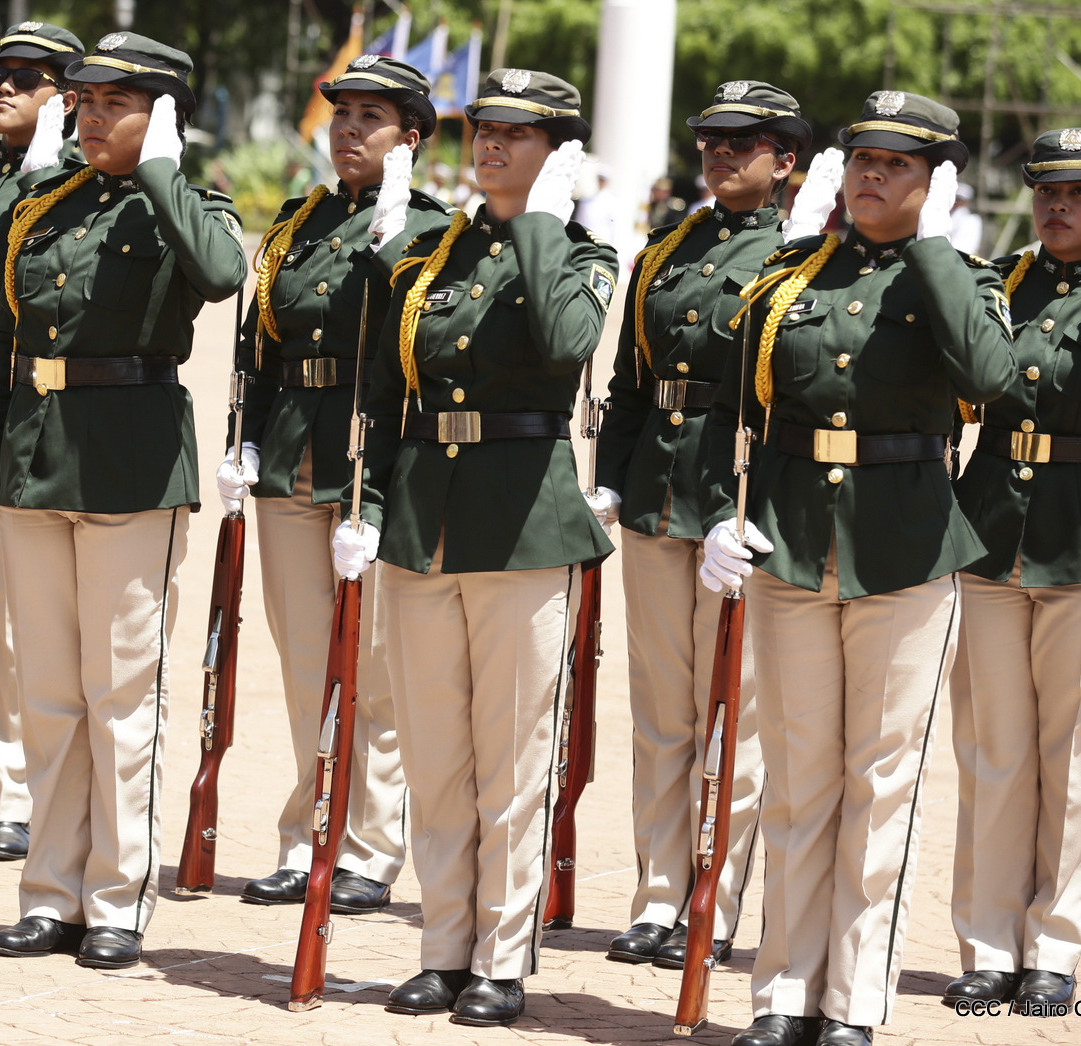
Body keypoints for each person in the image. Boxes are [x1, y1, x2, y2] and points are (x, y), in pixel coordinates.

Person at [700, 91, 1015, 1046]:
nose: (873, 173)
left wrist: (935, 247)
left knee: (880, 785)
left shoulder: (960, 277)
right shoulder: (793, 274)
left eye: (898, 164)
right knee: (799, 780)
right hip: (794, 541)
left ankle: (853, 1003)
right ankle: (783, 994)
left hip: (904, 548)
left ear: (936, 181)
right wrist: (720, 513)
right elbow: (731, 408)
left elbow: (990, 377)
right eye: (863, 159)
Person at [333, 68, 618, 1027]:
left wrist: (539, 222)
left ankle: (501, 957)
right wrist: (367, 504)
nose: (491, 143)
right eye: (485, 128)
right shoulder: (430, 254)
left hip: (522, 524)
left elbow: (564, 342)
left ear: (558, 152)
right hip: (426, 524)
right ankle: (443, 948)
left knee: (512, 757)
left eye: (517, 133)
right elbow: (384, 388)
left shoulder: (581, 254)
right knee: (435, 755)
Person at [0, 32, 246, 969]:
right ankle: (50, 893)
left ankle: (118, 899)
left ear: (162, 115)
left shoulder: (188, 204)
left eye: (113, 103)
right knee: (50, 695)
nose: (90, 117)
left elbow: (221, 275)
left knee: (122, 695)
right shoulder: (43, 204)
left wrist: (163, 170)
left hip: (131, 464)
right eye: (84, 100)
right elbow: (1, 336)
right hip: (37, 456)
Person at [591, 81, 823, 971]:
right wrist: (609, 484)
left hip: (740, 502)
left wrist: (760, 509)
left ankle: (712, 900)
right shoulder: (664, 251)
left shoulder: (799, 255)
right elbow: (629, 386)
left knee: (736, 713)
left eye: (743, 142)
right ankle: (658, 895)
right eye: (711, 140)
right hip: (659, 495)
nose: (721, 154)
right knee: (662, 711)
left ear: (785, 160)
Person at [215, 55, 452, 914]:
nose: (348, 129)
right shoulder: (298, 222)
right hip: (291, 454)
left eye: (370, 117)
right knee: (306, 664)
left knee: (375, 669)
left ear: (410, 139)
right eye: (342, 113)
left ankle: (370, 850)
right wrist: (244, 440)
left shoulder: (430, 229)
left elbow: (425, 350)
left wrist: (395, 251)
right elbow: (259, 342)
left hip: (374, 464)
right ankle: (310, 833)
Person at [945, 129, 1081, 1014]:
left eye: (1080, 193)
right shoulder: (998, 283)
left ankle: (1053, 947)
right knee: (993, 750)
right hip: (993, 527)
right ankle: (989, 944)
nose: (1058, 205)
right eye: (1047, 190)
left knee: (1074, 755)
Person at [0, 20, 83, 863]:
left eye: (27, 76)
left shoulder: (78, 184)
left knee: (9, 615)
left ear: (65, 97)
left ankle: (7, 793)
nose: (4, 87)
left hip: (18, 408)